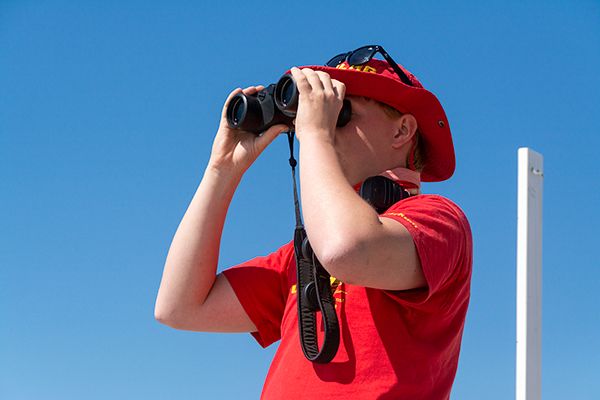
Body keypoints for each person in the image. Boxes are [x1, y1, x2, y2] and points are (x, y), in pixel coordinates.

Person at [155, 45, 472, 399]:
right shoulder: (303, 256)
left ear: (402, 131)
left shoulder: (439, 221)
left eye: (341, 110)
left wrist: (316, 136)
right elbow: (179, 307)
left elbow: (346, 249)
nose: (322, 119)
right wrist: (222, 169)